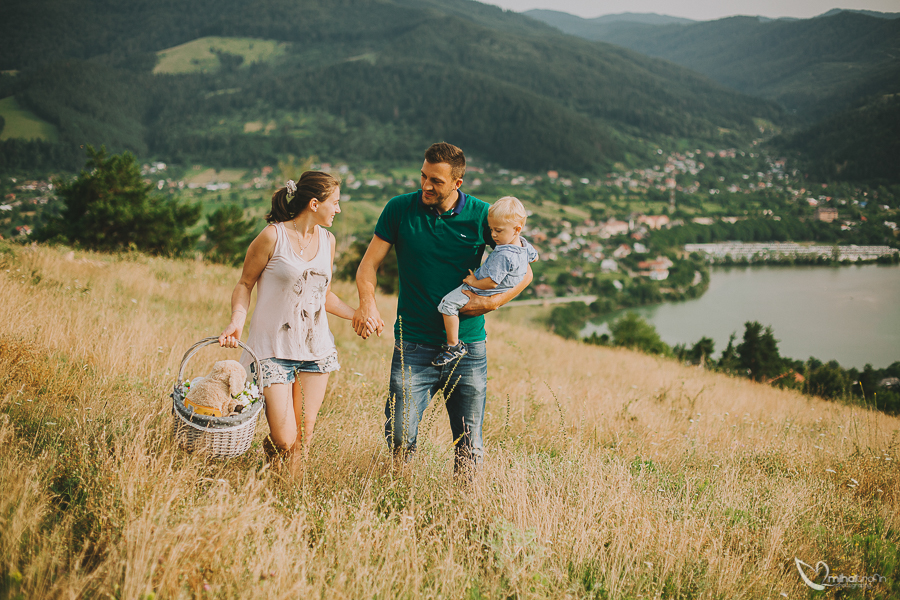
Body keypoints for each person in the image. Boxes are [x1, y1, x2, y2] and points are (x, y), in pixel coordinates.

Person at [352, 142, 533, 474]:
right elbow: (367, 267)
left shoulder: (483, 216)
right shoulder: (399, 209)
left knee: (469, 443)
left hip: (468, 348)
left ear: (457, 183)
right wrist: (367, 305)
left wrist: (492, 302)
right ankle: (398, 494)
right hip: (413, 345)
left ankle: (465, 510)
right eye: (423, 176)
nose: (425, 186)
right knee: (400, 438)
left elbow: (524, 270)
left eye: (435, 180)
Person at [219, 171, 375, 465]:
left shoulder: (328, 240)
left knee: (303, 438)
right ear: (315, 203)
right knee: (284, 438)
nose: (338, 209)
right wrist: (237, 320)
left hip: (316, 351)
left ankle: (290, 499)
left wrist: (356, 315)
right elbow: (244, 284)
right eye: (335, 202)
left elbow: (323, 294)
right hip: (272, 351)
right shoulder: (272, 236)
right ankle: (273, 452)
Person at [433, 196, 538, 366]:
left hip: (480, 290)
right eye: (491, 229)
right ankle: (478, 335)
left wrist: (473, 281)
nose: (493, 235)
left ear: (517, 229)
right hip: (494, 290)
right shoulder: (524, 245)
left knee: (447, 305)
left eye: (499, 230)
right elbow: (535, 257)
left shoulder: (504, 254)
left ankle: (453, 346)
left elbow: (491, 283)